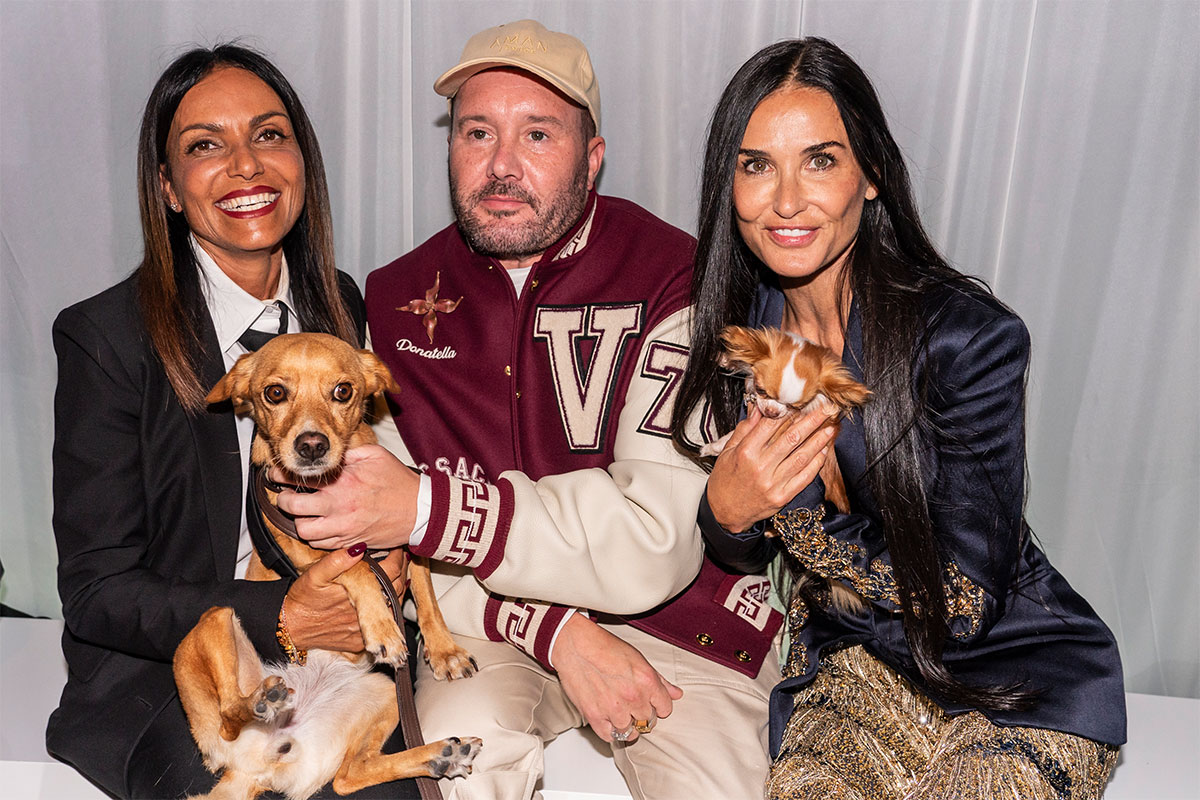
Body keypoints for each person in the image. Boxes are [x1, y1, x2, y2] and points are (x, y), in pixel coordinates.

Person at [274, 19, 781, 800]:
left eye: (538, 134)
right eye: (478, 132)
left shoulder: (678, 275)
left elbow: (656, 539)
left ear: (593, 157)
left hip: (679, 623)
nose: (501, 165)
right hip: (489, 627)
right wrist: (554, 630)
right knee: (460, 763)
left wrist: (426, 508)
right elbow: (380, 524)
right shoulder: (394, 297)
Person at [669, 37, 1126, 799]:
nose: (787, 200)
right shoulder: (745, 329)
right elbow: (741, 545)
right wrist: (726, 510)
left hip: (1015, 676)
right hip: (850, 668)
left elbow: (964, 603)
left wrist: (795, 509)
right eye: (757, 165)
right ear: (729, 183)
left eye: (820, 160)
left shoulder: (966, 339)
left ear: (871, 174)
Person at [47, 44, 416, 799]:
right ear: (168, 187)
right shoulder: (106, 338)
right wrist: (283, 615)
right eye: (205, 146)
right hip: (173, 674)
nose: (246, 165)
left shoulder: (338, 304)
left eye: (269, 135)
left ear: (302, 164)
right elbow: (97, 591)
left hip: (341, 658)